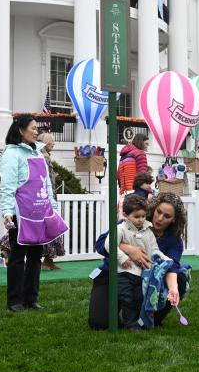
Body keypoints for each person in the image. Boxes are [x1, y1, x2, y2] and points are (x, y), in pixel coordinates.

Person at [88, 192, 189, 330]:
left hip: (142, 280)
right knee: (100, 323)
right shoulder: (134, 217)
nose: (159, 218)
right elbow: (101, 244)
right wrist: (129, 249)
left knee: (180, 279)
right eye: (158, 212)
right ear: (153, 209)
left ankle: (149, 317)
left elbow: (171, 266)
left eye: (167, 216)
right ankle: (130, 314)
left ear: (174, 219)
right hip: (112, 274)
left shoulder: (174, 241)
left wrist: (173, 289)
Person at [0, 116, 66, 312]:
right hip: (21, 214)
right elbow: (8, 186)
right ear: (21, 130)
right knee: (18, 256)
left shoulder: (38, 152)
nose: (36, 132)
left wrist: (52, 208)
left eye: (37, 128)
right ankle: (14, 301)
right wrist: (7, 211)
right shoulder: (12, 154)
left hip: (39, 213)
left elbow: (46, 183)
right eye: (33, 128)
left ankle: (31, 299)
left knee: (36, 256)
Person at [115, 194, 170, 329]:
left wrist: (165, 259)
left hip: (141, 274)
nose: (140, 220)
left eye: (143, 216)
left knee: (140, 297)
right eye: (136, 216)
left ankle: (142, 322)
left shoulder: (148, 230)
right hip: (123, 273)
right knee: (127, 300)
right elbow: (108, 245)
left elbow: (154, 249)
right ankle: (131, 324)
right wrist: (122, 258)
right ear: (126, 214)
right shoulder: (120, 229)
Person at [38, 132, 66, 271]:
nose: (54, 143)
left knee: (46, 228)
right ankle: (48, 260)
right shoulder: (45, 157)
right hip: (46, 197)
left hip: (43, 196)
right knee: (51, 228)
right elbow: (45, 178)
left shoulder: (41, 156)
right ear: (45, 143)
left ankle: (48, 260)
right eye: (51, 141)